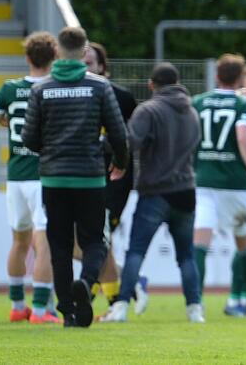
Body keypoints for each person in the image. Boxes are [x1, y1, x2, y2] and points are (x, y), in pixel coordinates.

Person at [22, 26, 128, 328]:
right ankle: (86, 281)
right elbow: (119, 134)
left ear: (57, 52)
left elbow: (29, 138)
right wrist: (120, 162)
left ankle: (68, 311)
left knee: (59, 245)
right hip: (90, 178)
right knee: (95, 241)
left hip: (54, 179)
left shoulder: (41, 89)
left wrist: (52, 150)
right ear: (84, 53)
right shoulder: (99, 87)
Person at [103, 62, 204, 323]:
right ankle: (195, 309)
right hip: (186, 190)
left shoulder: (148, 109)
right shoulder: (192, 111)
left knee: (136, 251)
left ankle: (122, 306)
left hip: (155, 190)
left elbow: (131, 142)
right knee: (186, 256)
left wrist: (112, 154)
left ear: (151, 84)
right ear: (178, 81)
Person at [0, 31, 59, 324]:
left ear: (27, 57)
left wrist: (10, 121)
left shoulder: (9, 89)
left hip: (15, 176)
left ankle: (17, 306)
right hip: (44, 175)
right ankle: (40, 311)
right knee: (45, 243)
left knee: (19, 242)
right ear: (54, 58)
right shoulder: (55, 88)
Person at [190, 54, 246, 318]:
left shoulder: (198, 103)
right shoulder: (244, 105)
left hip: (204, 181)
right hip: (234, 183)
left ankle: (195, 304)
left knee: (200, 243)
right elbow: (244, 137)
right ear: (240, 78)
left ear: (216, 76)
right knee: (245, 245)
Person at [83, 42, 150, 319]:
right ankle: (130, 285)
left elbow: (130, 141)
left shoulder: (121, 97)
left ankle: (103, 299)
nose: (86, 68)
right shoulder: (75, 94)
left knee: (98, 239)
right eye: (82, 62)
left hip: (113, 182)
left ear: (102, 66)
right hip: (82, 179)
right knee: (88, 241)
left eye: (90, 63)